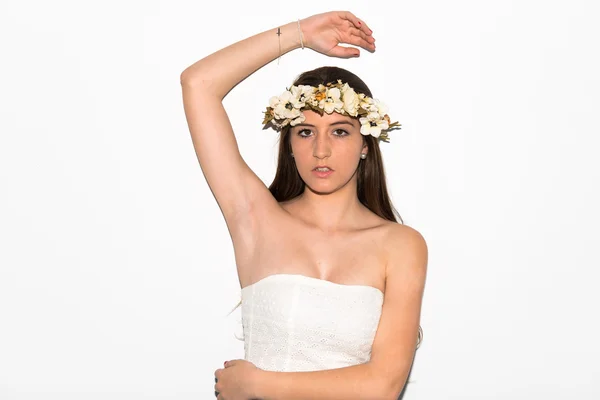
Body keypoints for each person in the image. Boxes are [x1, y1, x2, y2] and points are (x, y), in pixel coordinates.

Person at [180, 10, 428, 400]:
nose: (321, 149)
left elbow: (383, 386)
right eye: (306, 131)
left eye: (340, 131)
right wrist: (300, 33)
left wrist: (257, 384)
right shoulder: (255, 219)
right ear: (290, 144)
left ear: (366, 144)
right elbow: (198, 84)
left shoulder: (400, 245)